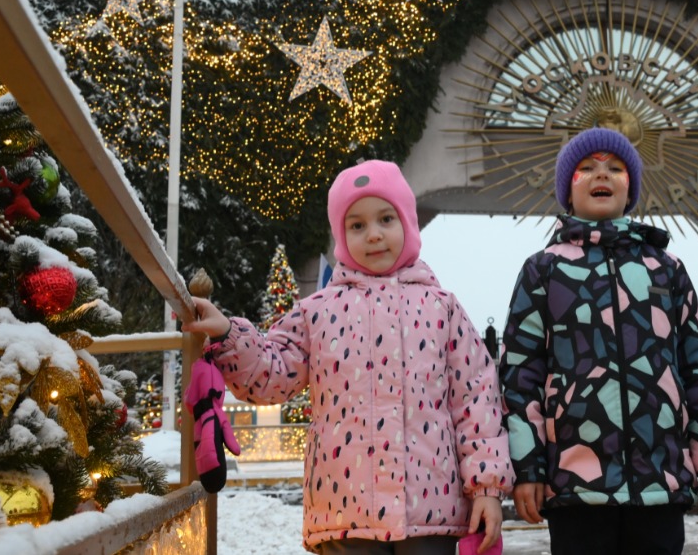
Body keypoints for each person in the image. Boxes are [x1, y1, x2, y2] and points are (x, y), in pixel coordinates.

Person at [183, 160, 512, 554]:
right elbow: (272, 372)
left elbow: (477, 401)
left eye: (385, 219)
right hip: (344, 511)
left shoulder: (442, 309)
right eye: (356, 225)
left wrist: (487, 488)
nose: (373, 235)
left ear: (407, 223)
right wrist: (227, 333)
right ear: (341, 235)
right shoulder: (317, 312)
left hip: (430, 512)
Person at [499, 127, 698, 555]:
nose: (600, 174)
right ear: (567, 192)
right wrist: (527, 469)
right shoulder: (544, 271)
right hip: (576, 483)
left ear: (631, 190)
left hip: (658, 479)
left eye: (615, 168)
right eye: (585, 169)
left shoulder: (666, 269)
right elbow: (520, 374)